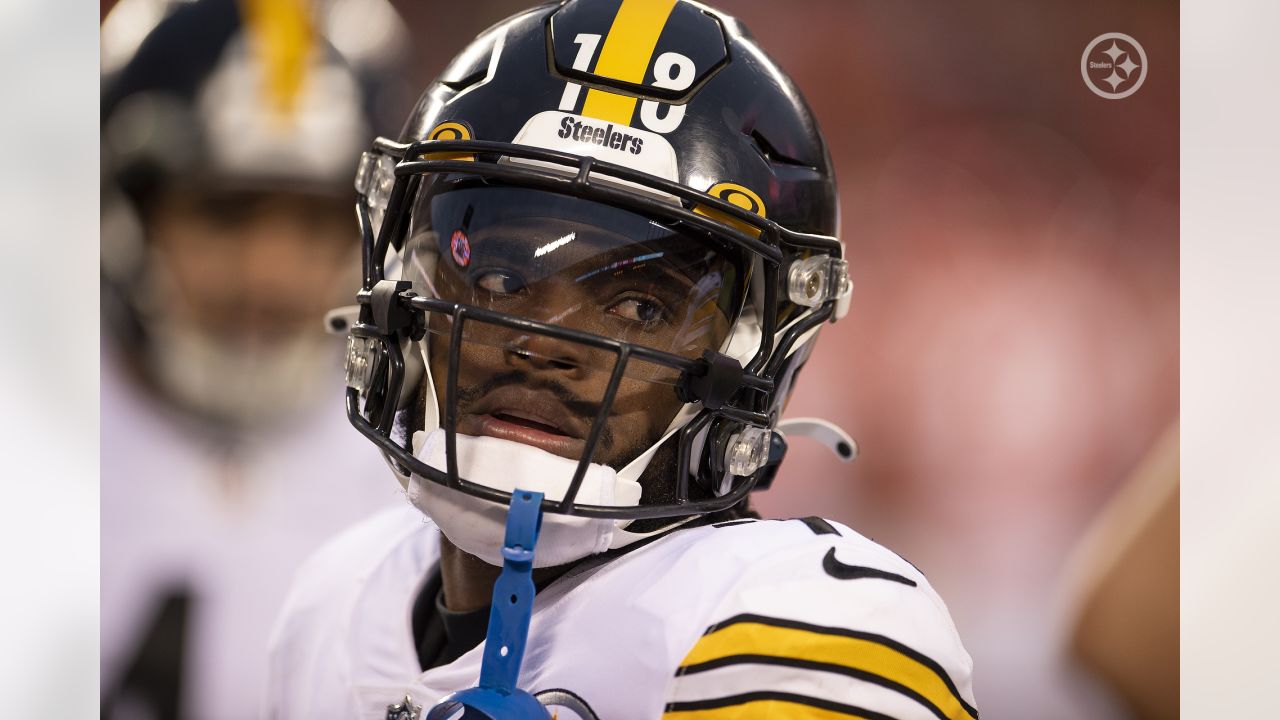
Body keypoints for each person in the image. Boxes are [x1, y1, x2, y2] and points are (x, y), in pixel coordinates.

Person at [268, 1, 979, 718]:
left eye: (641, 306)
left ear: (748, 351)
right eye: (500, 277)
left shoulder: (793, 629)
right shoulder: (337, 597)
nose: (542, 342)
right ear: (405, 286)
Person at [99, 0, 409, 716]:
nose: (268, 275)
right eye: (225, 211)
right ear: (128, 215)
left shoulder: (421, 477)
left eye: (314, 221)